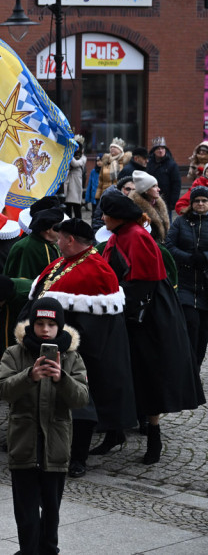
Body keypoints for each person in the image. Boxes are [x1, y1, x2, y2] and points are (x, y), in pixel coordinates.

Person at [101, 191, 204, 464]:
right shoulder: (118, 236)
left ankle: (154, 438)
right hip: (128, 310)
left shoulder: (136, 236)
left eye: (105, 214)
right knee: (124, 373)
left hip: (148, 317)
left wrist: (117, 299)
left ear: (118, 217)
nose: (101, 218)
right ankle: (114, 433)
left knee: (150, 375)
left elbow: (145, 281)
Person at [30, 217, 136, 477]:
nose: (57, 241)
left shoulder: (96, 272)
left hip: (83, 354)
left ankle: (78, 458)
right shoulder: (64, 263)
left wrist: (66, 347)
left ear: (71, 240)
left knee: (81, 407)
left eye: (60, 238)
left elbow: (93, 328)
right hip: (52, 347)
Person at [0, 297, 89, 555]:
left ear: (60, 327)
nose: (45, 329)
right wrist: (29, 376)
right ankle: (28, 551)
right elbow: (1, 389)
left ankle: (48, 550)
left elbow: (81, 398)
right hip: (23, 446)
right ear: (31, 325)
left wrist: (62, 379)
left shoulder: (71, 357)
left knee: (51, 510)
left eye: (50, 324)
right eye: (39, 323)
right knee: (25, 512)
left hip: (55, 448)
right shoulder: (15, 353)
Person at [165, 185, 208, 382]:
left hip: (205, 285)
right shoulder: (181, 222)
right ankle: (188, 370)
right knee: (191, 324)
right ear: (191, 203)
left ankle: (196, 368)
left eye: (204, 201)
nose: (200, 204)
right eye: (197, 201)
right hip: (185, 283)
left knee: (202, 333)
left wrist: (204, 257)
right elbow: (169, 245)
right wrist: (188, 258)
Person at [3, 205, 64, 280]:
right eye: (57, 227)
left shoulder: (54, 245)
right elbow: (22, 279)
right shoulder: (26, 247)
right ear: (47, 230)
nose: (61, 231)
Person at [129, 170, 170, 242]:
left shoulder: (158, 204)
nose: (158, 189)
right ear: (145, 190)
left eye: (157, 186)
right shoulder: (135, 209)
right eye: (154, 186)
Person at [146, 137, 181, 214]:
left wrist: (173, 202)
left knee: (166, 224)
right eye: (158, 148)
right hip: (150, 200)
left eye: (162, 148)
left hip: (166, 202)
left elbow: (176, 184)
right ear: (154, 151)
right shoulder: (148, 163)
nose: (161, 150)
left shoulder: (172, 165)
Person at [64, 141, 86, 219]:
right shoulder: (69, 155)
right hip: (68, 183)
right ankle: (68, 225)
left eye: (77, 146)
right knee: (68, 207)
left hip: (76, 183)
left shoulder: (83, 157)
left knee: (77, 207)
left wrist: (69, 153)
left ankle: (78, 225)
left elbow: (75, 163)